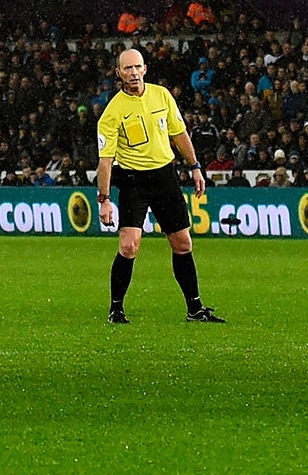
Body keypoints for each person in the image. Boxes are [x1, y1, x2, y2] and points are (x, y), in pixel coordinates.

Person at [95, 47, 222, 324]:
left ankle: (195, 309)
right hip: (133, 181)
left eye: (137, 67)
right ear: (118, 73)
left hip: (165, 176)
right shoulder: (112, 112)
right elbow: (105, 161)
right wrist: (103, 199)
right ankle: (116, 309)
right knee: (129, 246)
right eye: (127, 68)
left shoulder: (161, 95)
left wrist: (196, 167)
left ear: (145, 69)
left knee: (183, 243)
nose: (133, 72)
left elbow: (179, 133)